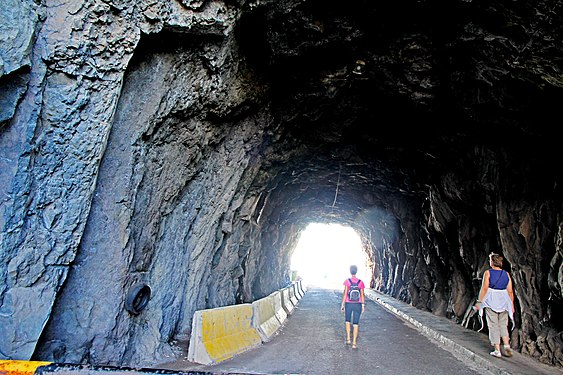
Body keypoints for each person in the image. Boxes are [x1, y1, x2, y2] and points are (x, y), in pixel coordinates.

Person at [474, 252, 515, 358]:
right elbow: (510, 291)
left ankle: (497, 350)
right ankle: (506, 345)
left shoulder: (488, 273)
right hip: (503, 301)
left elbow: (484, 288)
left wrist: (479, 302)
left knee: (493, 325)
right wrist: (511, 305)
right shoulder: (506, 274)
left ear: (492, 262)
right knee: (503, 324)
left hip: (491, 300)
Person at [340, 265, 365, 349]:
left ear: (350, 271)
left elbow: (345, 292)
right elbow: (362, 294)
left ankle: (348, 339)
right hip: (357, 304)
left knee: (347, 321)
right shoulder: (360, 282)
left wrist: (342, 304)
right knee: (356, 323)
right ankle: (354, 343)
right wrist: (362, 304)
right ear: (356, 271)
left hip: (349, 303)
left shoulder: (347, 281)